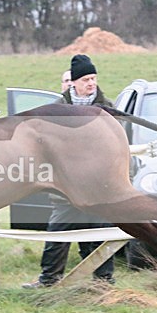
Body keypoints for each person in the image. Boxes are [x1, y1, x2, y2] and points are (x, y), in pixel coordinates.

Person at [23, 54, 116, 288]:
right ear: (73, 82)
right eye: (86, 79)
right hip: (65, 189)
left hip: (99, 188)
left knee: (100, 234)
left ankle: (103, 282)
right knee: (57, 235)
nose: (91, 83)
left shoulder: (108, 109)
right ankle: (48, 281)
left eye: (93, 78)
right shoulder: (55, 110)